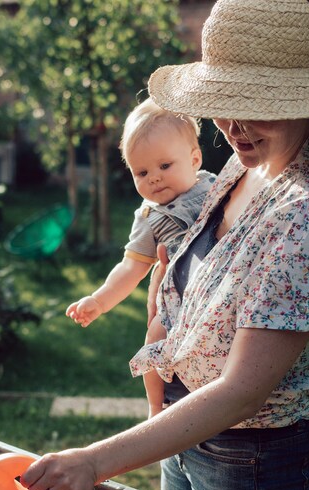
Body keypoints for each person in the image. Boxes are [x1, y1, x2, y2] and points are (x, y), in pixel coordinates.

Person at [23, 0, 309, 490]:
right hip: (185, 426)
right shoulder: (248, 160)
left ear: (298, 100)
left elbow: (241, 392)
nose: (231, 127)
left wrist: (94, 462)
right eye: (220, 105)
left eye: (250, 106)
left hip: (249, 459)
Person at [66, 97, 216, 417]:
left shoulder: (217, 188)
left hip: (220, 293)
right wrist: (99, 300)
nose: (154, 178)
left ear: (195, 159)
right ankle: (155, 407)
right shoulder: (151, 218)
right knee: (154, 337)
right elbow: (131, 268)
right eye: (142, 171)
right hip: (177, 302)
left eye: (164, 166)